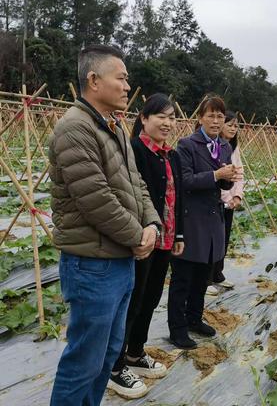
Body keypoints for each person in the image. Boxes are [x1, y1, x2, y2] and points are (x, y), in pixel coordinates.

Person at [49, 45, 161, 406]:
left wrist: (153, 224)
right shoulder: (74, 129)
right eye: (122, 78)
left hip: (120, 259)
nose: (128, 86)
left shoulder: (113, 127)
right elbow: (95, 200)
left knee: (108, 353)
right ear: (94, 80)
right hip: (92, 265)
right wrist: (137, 236)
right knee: (85, 360)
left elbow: (137, 184)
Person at [108, 94, 185, 399]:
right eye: (161, 117)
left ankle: (135, 352)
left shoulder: (172, 155)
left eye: (172, 118)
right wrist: (138, 234)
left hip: (164, 239)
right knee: (132, 301)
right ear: (144, 118)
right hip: (140, 240)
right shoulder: (134, 150)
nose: (168, 123)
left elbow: (177, 199)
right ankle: (114, 367)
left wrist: (178, 235)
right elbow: (128, 197)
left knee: (151, 297)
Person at [167, 96, 242, 349]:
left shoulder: (225, 146)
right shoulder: (187, 145)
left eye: (220, 116)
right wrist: (216, 175)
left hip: (213, 221)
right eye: (211, 115)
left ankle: (194, 319)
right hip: (191, 221)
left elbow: (223, 183)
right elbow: (185, 181)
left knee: (203, 278)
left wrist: (228, 179)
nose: (216, 120)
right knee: (183, 280)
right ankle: (177, 329)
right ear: (200, 118)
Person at [207, 111, 244, 295]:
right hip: (217, 201)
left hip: (230, 202)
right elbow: (215, 176)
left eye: (236, 126)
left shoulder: (233, 148)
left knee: (223, 239)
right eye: (229, 124)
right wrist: (227, 198)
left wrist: (237, 196)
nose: (232, 128)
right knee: (211, 241)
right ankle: (206, 279)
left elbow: (239, 173)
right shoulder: (213, 147)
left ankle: (217, 273)